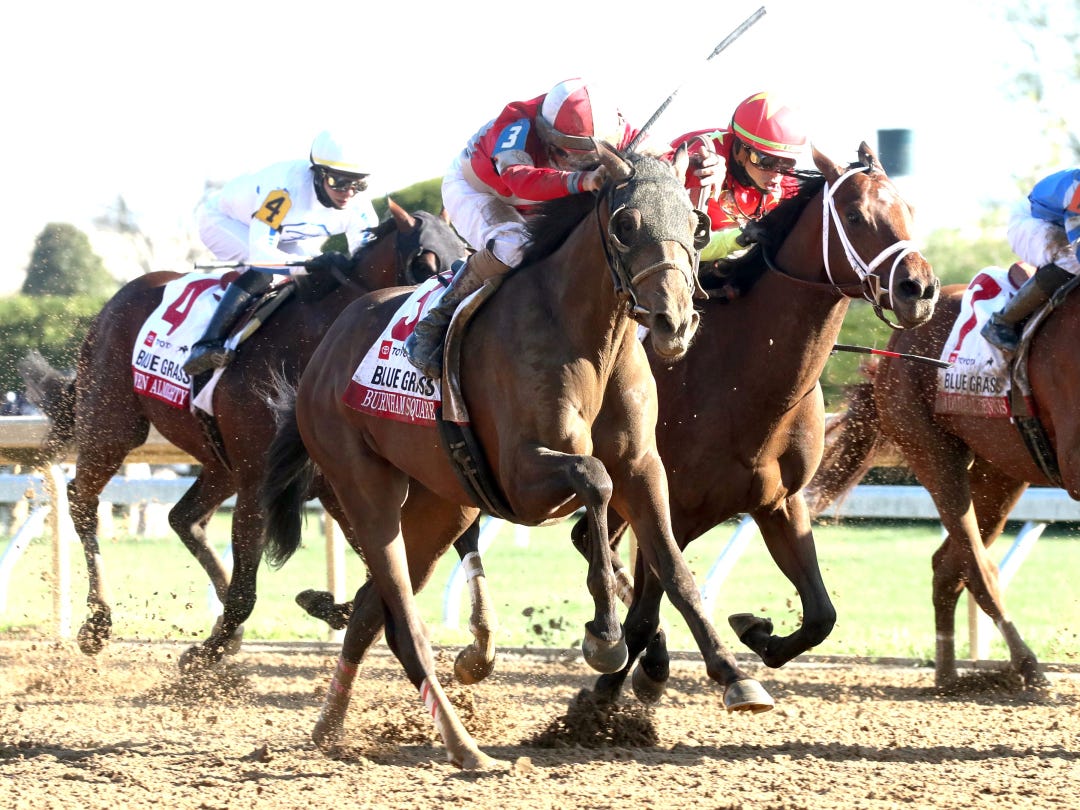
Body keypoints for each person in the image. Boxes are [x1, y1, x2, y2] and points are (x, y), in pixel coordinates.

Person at [404, 77, 639, 379]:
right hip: (481, 190)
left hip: (541, 201)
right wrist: (582, 180)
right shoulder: (516, 125)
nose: (577, 162)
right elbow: (517, 177)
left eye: (589, 157)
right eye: (568, 152)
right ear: (546, 132)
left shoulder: (617, 129)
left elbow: (661, 156)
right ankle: (434, 324)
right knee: (513, 244)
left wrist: (699, 164)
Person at [183, 129, 380, 376]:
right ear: (319, 174)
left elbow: (366, 259)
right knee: (266, 274)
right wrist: (307, 265)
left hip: (284, 237)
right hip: (225, 222)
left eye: (358, 183)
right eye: (338, 182)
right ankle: (206, 345)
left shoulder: (358, 204)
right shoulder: (284, 190)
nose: (349, 192)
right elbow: (261, 254)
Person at [671, 91, 808, 264]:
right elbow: (678, 248)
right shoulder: (704, 157)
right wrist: (693, 165)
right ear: (739, 149)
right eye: (766, 161)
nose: (777, 173)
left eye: (787, 163)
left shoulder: (786, 185)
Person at [981, 168, 1080, 353]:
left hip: (1059, 224)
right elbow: (1078, 242)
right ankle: (1001, 322)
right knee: (1072, 260)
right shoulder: (1078, 187)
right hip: (1031, 222)